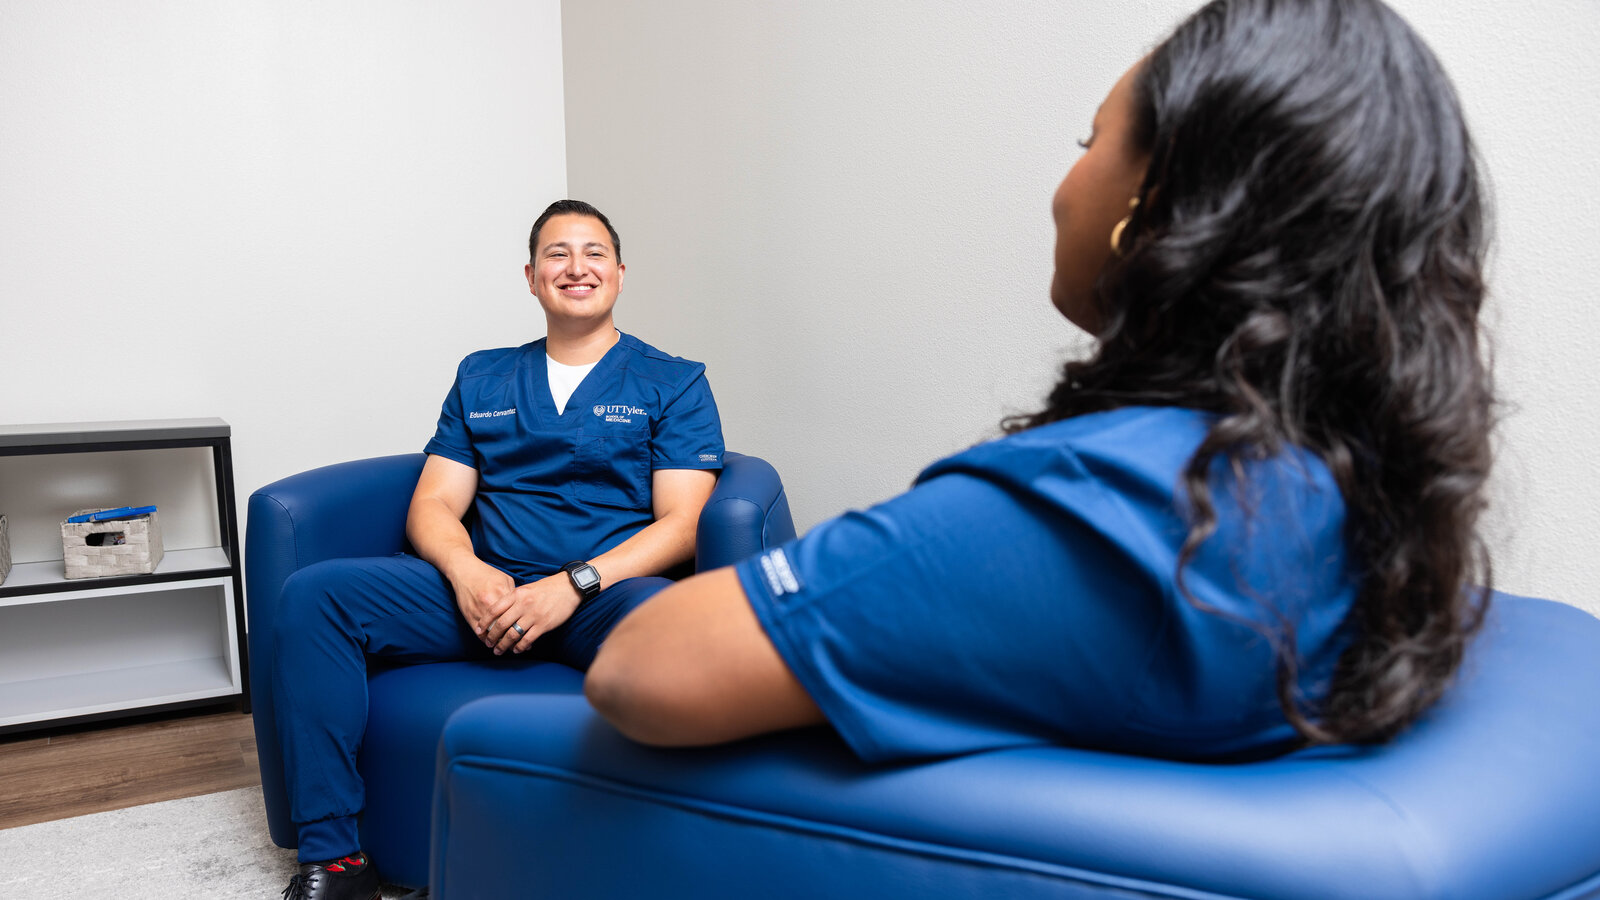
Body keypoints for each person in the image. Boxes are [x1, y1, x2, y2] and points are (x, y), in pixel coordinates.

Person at [585, 0, 1495, 767]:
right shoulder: (1361, 487)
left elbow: (641, 669)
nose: (1063, 184)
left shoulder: (1101, 509)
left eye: (1089, 140)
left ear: (1157, 206)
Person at [274, 200, 724, 900]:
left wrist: (571, 585)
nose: (577, 267)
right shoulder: (482, 375)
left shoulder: (674, 381)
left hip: (600, 594)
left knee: (674, 639)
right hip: (483, 593)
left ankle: (653, 859)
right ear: (531, 276)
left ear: (621, 273)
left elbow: (683, 524)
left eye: (594, 252)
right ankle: (335, 861)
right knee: (315, 595)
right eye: (557, 253)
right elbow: (433, 504)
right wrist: (467, 573)